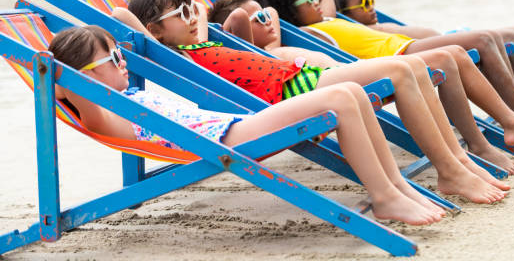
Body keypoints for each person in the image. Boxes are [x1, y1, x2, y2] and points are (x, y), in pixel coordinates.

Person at [110, 0, 513, 204]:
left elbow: (235, 20)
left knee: (410, 67)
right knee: (404, 69)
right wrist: (147, 28)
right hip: (291, 92)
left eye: (193, 6)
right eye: (180, 14)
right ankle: (450, 170)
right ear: (156, 31)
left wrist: (198, 13)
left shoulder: (204, 40)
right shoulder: (168, 55)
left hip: (298, 77)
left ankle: (457, 161)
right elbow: (120, 15)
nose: (193, 15)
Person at [49, 25, 447, 225]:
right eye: (112, 60)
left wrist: (104, 53)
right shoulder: (106, 112)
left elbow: (118, 26)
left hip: (235, 125)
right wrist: (55, 76)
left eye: (121, 55)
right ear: (81, 78)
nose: (123, 63)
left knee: (351, 94)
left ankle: (392, 189)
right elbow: (70, 85)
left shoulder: (128, 98)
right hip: (226, 139)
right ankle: (386, 197)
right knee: (342, 95)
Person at [246, 0, 514, 139]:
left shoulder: (322, 16)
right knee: (482, 40)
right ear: (289, 9)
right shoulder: (310, 31)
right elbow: (289, 14)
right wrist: (280, 7)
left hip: (407, 47)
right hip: (401, 55)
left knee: (510, 34)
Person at [330, 0, 514, 125]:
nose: (371, 6)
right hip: (434, 50)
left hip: (446, 38)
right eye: (363, 4)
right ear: (343, 13)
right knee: (505, 37)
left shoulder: (373, 27)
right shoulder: (358, 32)